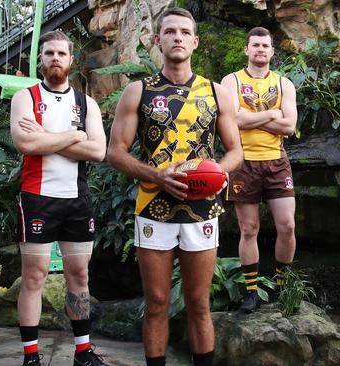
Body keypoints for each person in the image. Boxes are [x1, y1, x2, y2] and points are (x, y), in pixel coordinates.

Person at [107, 8, 243, 366]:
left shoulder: (216, 93)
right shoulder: (138, 91)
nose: (178, 37)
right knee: (156, 304)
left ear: (195, 42)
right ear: (158, 40)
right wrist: (156, 175)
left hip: (203, 210)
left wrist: (213, 175)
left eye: (185, 31)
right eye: (170, 31)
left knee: (199, 304)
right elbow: (115, 153)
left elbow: (236, 153)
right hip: (153, 208)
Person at [10, 31, 108, 366]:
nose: (55, 58)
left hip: (76, 199)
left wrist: (47, 138)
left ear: (70, 59)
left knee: (79, 276)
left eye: (61, 53)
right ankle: (31, 357)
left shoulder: (86, 103)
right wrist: (72, 136)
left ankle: (83, 353)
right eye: (49, 53)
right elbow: (26, 144)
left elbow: (97, 150)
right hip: (37, 197)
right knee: (34, 276)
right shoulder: (26, 97)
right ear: (41, 59)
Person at [220, 27, 298, 313]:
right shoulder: (231, 81)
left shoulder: (284, 83)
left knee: (287, 226)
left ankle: (282, 284)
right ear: (246, 49)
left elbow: (289, 126)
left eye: (265, 45)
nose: (260, 50)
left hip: (277, 161)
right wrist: (270, 115)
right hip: (242, 162)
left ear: (272, 51)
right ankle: (251, 291)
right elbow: (231, 120)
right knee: (249, 228)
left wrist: (249, 118)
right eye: (255, 45)